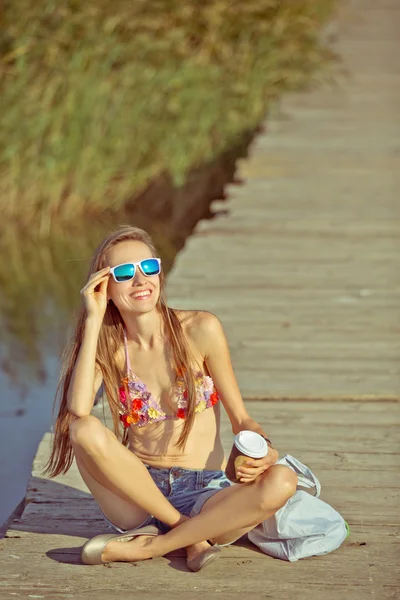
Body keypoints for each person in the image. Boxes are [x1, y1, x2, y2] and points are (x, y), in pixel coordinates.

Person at [43, 224, 298, 571]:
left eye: (148, 267)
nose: (140, 280)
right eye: (123, 273)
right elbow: (78, 408)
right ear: (105, 286)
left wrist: (263, 448)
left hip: (207, 492)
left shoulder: (200, 329)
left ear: (159, 272)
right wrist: (93, 318)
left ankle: (153, 546)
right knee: (82, 429)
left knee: (283, 481)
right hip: (139, 496)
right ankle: (188, 535)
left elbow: (242, 419)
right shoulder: (111, 348)